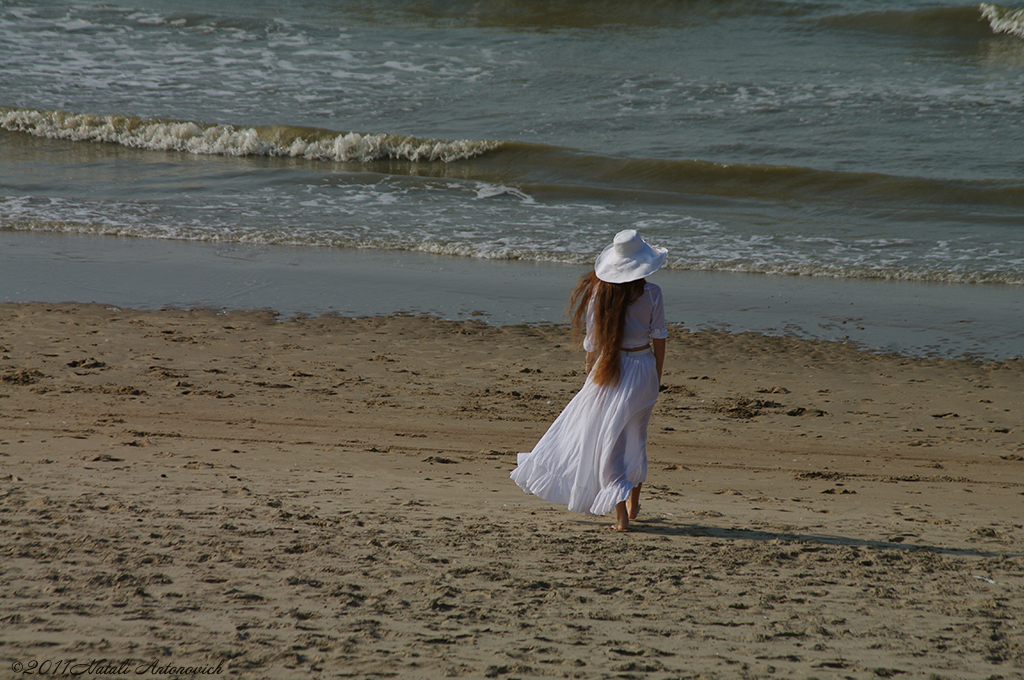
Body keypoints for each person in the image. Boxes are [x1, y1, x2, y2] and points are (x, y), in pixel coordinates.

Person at [511, 229, 668, 531]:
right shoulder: (653, 293)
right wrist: (656, 376)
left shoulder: (600, 294)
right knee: (636, 434)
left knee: (610, 442)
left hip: (610, 369)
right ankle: (633, 504)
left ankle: (622, 515)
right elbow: (659, 338)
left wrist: (589, 375)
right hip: (643, 367)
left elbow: (592, 343)